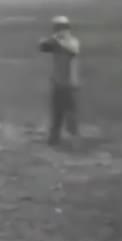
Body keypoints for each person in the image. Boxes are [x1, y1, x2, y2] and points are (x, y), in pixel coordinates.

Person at [39, 16, 81, 146]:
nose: (57, 30)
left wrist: (58, 40)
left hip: (69, 84)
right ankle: (54, 138)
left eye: (59, 28)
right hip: (57, 82)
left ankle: (74, 139)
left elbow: (72, 50)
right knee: (57, 112)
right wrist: (50, 40)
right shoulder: (56, 42)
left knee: (70, 113)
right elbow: (42, 47)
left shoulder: (73, 41)